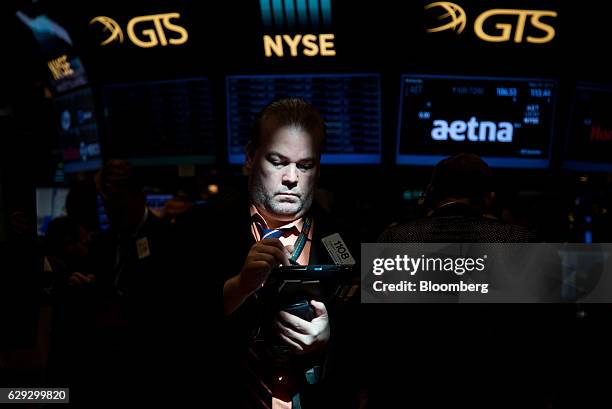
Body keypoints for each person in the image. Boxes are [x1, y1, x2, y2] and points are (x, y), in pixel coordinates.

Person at [178, 98, 358, 408]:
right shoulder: (196, 229)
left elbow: (381, 338)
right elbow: (162, 322)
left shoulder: (349, 239)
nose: (291, 178)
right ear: (250, 158)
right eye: (277, 161)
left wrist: (331, 337)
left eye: (305, 165)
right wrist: (237, 287)